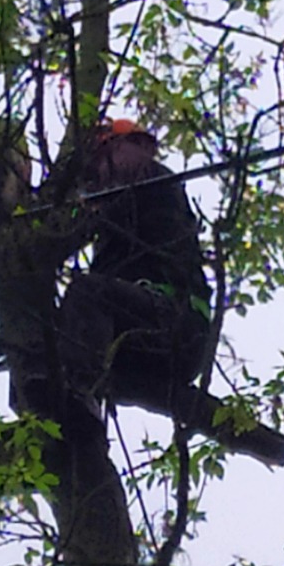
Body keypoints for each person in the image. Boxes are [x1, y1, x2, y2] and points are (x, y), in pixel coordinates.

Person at [54, 119, 214, 421]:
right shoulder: (115, 213)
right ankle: (47, 406)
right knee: (56, 331)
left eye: (103, 158)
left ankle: (78, 400)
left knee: (88, 291)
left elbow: (88, 226)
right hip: (134, 340)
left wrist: (62, 220)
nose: (99, 173)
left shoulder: (153, 180)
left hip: (175, 324)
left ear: (138, 146)